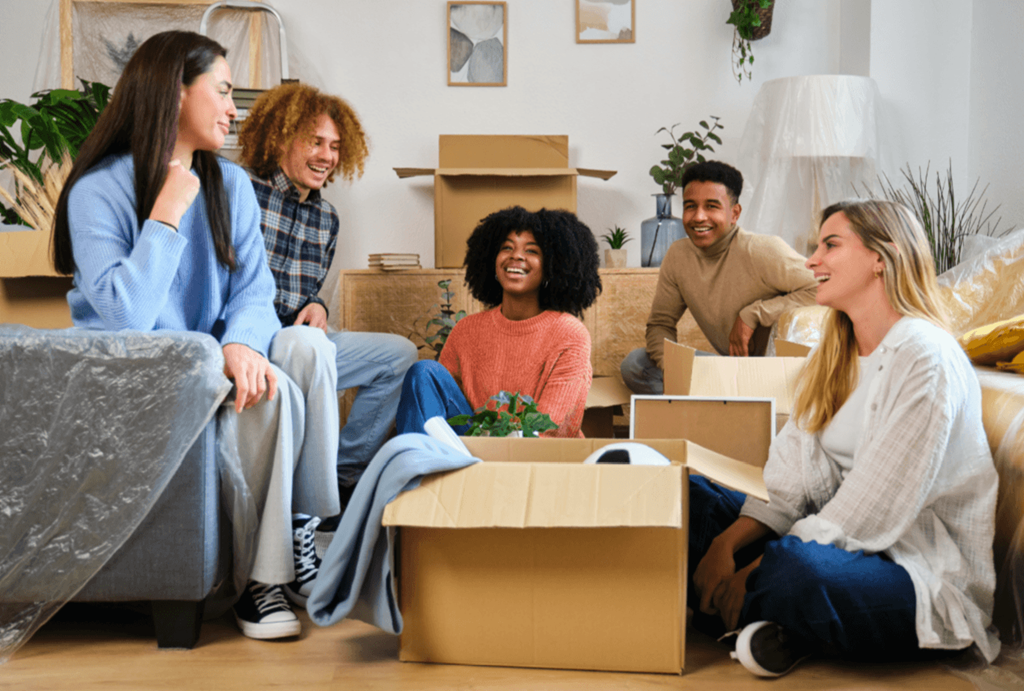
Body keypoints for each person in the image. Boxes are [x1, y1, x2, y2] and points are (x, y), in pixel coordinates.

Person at [51, 31, 341, 641]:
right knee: (274, 394)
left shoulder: (230, 184)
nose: (234, 109)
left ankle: (296, 536)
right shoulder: (97, 190)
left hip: (212, 361)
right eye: (225, 90)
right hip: (148, 380)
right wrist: (166, 212)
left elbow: (255, 292)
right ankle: (261, 585)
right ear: (176, 93)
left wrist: (240, 342)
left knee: (300, 351)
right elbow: (126, 319)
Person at [688, 199, 1000, 677]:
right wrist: (724, 546)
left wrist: (755, 568)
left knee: (800, 572)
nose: (811, 260)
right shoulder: (833, 353)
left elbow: (873, 508)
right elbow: (789, 479)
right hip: (825, 535)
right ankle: (769, 619)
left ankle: (730, 607)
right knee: (686, 500)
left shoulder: (926, 358)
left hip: (908, 571)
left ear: (882, 257)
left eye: (830, 245)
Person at [237, 82, 417, 599]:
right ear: (279, 137)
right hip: (251, 341)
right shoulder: (241, 193)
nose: (327, 157)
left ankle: (341, 476)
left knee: (399, 357)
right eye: (315, 142)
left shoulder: (326, 217)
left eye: (335, 147)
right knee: (307, 351)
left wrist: (318, 306)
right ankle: (302, 523)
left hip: (302, 338)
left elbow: (308, 294)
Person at [395, 206, 600, 438]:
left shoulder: (569, 333)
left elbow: (550, 428)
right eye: (507, 248)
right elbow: (440, 407)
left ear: (553, 266)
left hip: (534, 454)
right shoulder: (467, 330)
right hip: (473, 446)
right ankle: (414, 468)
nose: (516, 256)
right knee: (424, 372)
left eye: (532, 251)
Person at [620, 160, 818, 394]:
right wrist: (672, 368)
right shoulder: (678, 256)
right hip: (729, 370)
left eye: (712, 206)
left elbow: (823, 288)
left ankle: (725, 410)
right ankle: (710, 413)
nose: (699, 217)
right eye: (690, 206)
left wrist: (754, 313)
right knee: (636, 364)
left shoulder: (761, 250)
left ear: (734, 213)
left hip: (776, 375)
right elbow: (660, 325)